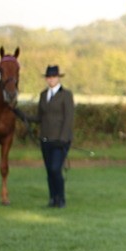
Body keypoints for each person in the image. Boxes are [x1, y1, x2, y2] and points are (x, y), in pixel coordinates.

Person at [30, 64, 75, 208]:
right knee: (49, 170)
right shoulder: (43, 95)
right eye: (48, 77)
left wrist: (63, 139)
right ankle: (52, 199)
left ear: (58, 78)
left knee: (56, 168)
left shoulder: (66, 95)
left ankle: (61, 198)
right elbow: (40, 117)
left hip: (61, 140)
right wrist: (22, 115)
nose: (51, 80)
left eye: (53, 77)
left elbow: (69, 118)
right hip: (45, 139)